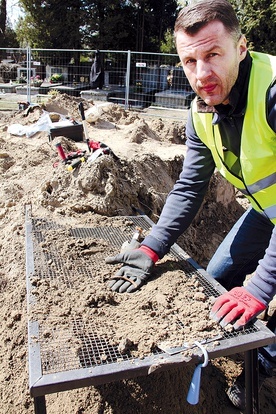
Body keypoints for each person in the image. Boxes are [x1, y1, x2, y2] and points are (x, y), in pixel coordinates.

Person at [106, 0, 276, 409]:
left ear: (241, 47)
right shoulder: (200, 111)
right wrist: (153, 245)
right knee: (215, 280)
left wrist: (260, 286)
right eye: (189, 61)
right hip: (267, 211)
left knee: (259, 292)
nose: (202, 74)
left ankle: (266, 376)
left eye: (213, 54)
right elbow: (188, 187)